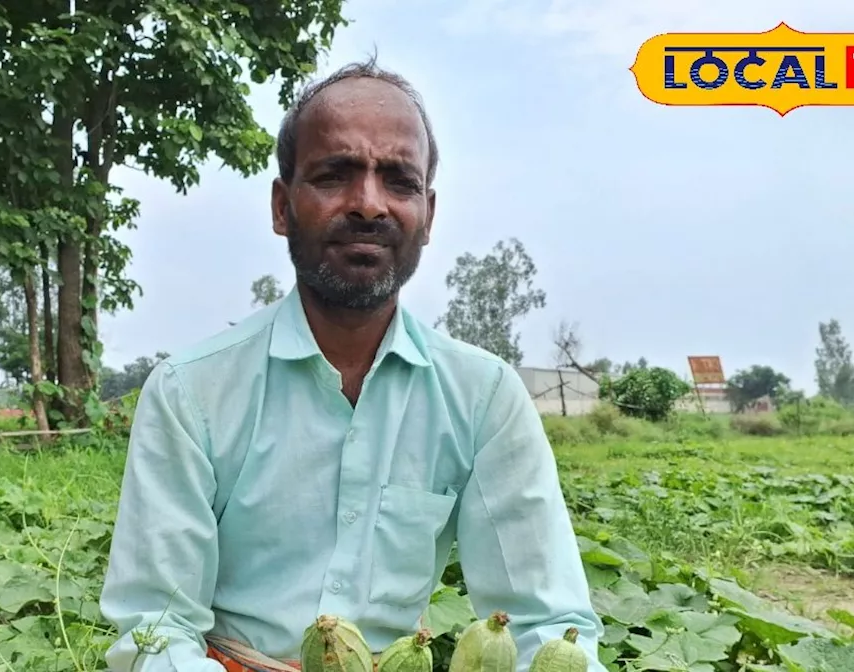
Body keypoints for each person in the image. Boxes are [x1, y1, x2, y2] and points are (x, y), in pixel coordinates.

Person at [100, 57, 606, 672]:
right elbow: (157, 626)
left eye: (399, 181)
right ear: (282, 207)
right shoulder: (191, 392)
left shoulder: (484, 397)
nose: (369, 204)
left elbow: (545, 620)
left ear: (428, 215)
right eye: (335, 174)